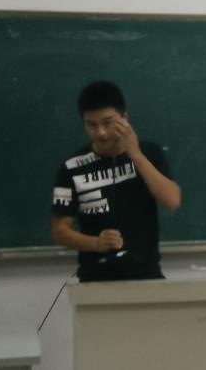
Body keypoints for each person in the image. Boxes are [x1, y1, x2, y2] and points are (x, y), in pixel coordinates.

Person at [51, 81, 181, 282]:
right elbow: (60, 232)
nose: (100, 132)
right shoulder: (71, 168)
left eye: (107, 122)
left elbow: (172, 201)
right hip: (95, 280)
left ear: (124, 118)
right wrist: (96, 243)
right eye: (91, 125)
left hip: (146, 276)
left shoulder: (149, 153)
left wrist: (135, 155)